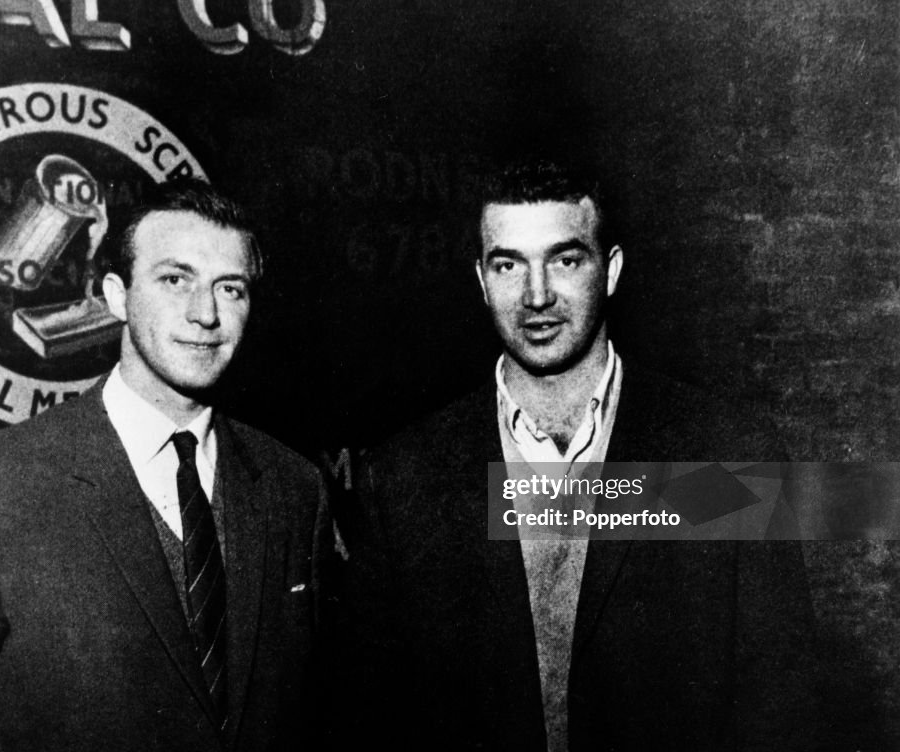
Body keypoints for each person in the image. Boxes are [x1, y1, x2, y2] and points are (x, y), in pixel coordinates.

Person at [335, 159, 819, 751]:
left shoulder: (728, 452)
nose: (537, 295)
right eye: (509, 264)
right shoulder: (404, 477)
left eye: (566, 260)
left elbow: (780, 707)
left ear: (610, 271)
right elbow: (373, 720)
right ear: (482, 282)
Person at [0, 178, 330, 751]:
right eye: (174, 279)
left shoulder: (293, 488)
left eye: (231, 288)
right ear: (116, 295)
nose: (205, 313)